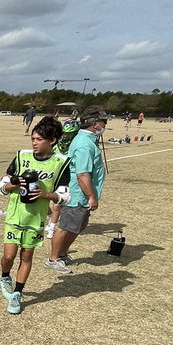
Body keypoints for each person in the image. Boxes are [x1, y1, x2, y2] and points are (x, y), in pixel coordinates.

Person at [0, 116, 70, 314]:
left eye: (38, 139)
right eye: (33, 139)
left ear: (52, 140)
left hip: (36, 220)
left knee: (26, 256)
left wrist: (47, 195)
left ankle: (17, 295)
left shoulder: (61, 163)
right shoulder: (22, 156)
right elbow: (0, 187)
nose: (34, 143)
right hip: (14, 216)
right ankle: (5, 276)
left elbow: (65, 196)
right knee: (8, 256)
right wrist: (13, 184)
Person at [46, 107, 108, 275]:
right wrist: (91, 196)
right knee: (66, 226)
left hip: (83, 195)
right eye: (104, 122)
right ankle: (53, 259)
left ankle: (63, 253)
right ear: (95, 124)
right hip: (78, 194)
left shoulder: (89, 141)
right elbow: (82, 174)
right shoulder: (83, 144)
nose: (105, 125)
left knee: (78, 225)